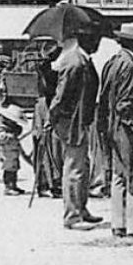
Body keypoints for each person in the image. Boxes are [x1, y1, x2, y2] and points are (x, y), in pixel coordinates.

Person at [97, 23, 133, 238]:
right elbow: (126, 104)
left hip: (112, 125)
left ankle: (118, 223)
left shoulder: (112, 62)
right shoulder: (130, 65)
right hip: (127, 127)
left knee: (119, 176)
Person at [48, 27, 104, 230]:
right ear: (85, 40)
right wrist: (53, 117)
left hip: (81, 121)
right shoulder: (75, 62)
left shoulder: (83, 60)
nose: (97, 44)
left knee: (83, 166)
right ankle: (72, 215)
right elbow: (61, 95)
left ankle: (81, 208)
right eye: (94, 39)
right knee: (74, 169)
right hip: (72, 122)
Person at [33, 46, 64, 197]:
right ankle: (53, 183)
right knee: (51, 147)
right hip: (49, 106)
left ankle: (44, 183)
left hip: (43, 105)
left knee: (44, 145)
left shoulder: (43, 68)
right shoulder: (53, 70)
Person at [0, 102, 33, 196]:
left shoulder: (11, 128)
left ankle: (14, 185)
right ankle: (8, 187)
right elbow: (1, 138)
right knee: (9, 170)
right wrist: (11, 137)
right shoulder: (1, 129)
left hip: (13, 152)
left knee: (14, 169)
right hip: (7, 153)